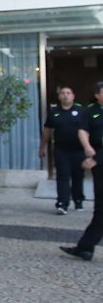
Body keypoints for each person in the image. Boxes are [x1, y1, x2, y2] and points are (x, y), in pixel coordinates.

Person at [60, 81, 103, 261]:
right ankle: (85, 247)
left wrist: (95, 159)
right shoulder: (90, 111)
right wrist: (88, 149)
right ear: (97, 94)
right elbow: (83, 131)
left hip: (98, 161)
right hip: (99, 165)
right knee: (101, 209)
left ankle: (85, 247)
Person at [39, 87, 87, 215]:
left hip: (78, 150)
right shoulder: (54, 112)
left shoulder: (81, 111)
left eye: (68, 93)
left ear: (73, 96)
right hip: (61, 150)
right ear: (59, 97)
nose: (65, 95)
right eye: (63, 93)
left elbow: (87, 130)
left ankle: (78, 200)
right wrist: (42, 147)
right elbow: (47, 130)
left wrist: (89, 148)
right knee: (62, 176)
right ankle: (62, 203)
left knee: (78, 176)